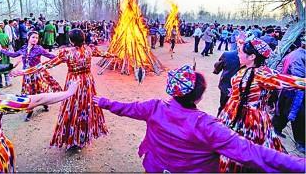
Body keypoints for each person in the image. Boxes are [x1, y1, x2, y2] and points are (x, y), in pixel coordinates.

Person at [93, 65, 305, 173]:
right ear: (200, 95)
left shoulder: (153, 107)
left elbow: (125, 108)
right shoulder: (207, 125)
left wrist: (102, 101)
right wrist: (300, 165)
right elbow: (252, 152)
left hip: (155, 168)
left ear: (173, 92)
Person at [12, 28, 114, 151]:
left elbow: (45, 65)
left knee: (73, 108)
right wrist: (116, 54)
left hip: (73, 83)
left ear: (71, 41)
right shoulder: (89, 49)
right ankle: (83, 136)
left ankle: (74, 138)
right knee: (86, 107)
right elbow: (105, 54)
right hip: (87, 82)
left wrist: (24, 71)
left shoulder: (67, 53)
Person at [217, 38, 306, 172]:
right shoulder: (248, 67)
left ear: (252, 57)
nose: (238, 54)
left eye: (240, 52)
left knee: (247, 152)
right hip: (232, 113)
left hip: (250, 121)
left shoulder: (262, 74)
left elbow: (292, 81)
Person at [0, 31, 62, 121]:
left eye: (36, 38)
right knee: (28, 92)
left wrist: (62, 57)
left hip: (37, 74)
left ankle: (44, 103)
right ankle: (29, 111)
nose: (35, 39)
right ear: (28, 37)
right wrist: (1, 50)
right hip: (27, 76)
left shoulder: (39, 49)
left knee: (40, 90)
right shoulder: (23, 48)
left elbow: (51, 56)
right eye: (33, 37)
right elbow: (14, 54)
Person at [273, 35, 305, 153]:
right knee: (298, 117)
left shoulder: (296, 53)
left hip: (287, 87)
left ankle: (276, 128)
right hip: (295, 90)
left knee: (283, 110)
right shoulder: (299, 57)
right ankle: (300, 142)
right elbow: (299, 79)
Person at [213, 50, 240, 115]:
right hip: (237, 89)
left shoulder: (228, 54)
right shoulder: (254, 59)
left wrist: (216, 70)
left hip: (226, 86)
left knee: (223, 107)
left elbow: (218, 66)